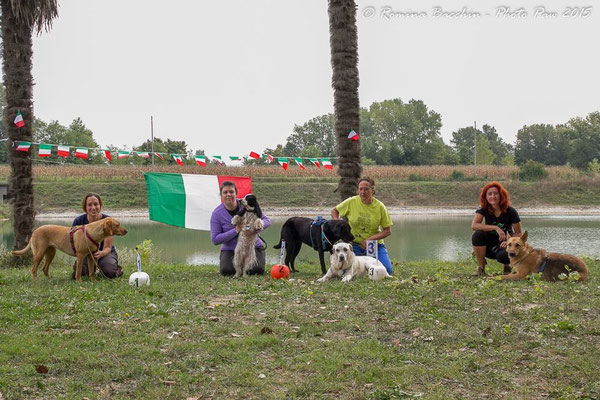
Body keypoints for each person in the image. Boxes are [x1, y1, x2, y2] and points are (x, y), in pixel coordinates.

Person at [331, 177, 394, 275]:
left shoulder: (380, 207)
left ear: (372, 191)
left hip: (374, 245)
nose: (363, 192)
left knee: (386, 270)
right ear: (357, 190)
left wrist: (370, 239)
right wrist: (337, 223)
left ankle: (366, 267)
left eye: (366, 189)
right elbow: (335, 210)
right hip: (355, 245)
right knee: (344, 270)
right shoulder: (351, 202)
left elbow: (387, 230)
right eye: (360, 189)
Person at [210, 181, 271, 276]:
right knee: (227, 271)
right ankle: (235, 265)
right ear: (221, 195)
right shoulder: (216, 214)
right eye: (225, 192)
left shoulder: (247, 203)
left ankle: (249, 265)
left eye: (231, 192)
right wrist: (236, 230)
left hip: (253, 246)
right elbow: (215, 239)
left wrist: (255, 229)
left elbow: (267, 221)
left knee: (256, 270)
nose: (228, 194)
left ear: (236, 193)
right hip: (230, 249)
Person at [471, 181, 523, 276]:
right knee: (477, 235)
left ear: (501, 195)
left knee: (502, 256)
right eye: (489, 194)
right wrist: (496, 228)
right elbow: (474, 225)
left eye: (495, 193)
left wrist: (509, 242)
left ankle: (507, 266)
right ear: (485, 197)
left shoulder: (511, 211)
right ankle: (481, 268)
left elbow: (519, 233)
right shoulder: (483, 208)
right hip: (489, 246)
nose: (492, 196)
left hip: (505, 245)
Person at [72, 192, 123, 279]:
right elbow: (74, 245)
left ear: (100, 205)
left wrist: (101, 253)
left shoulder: (108, 221)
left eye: (96, 204)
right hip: (86, 254)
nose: (93, 208)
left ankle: (116, 269)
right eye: (89, 205)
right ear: (85, 207)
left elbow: (108, 247)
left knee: (109, 272)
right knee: (81, 272)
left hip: (105, 253)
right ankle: (94, 269)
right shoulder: (79, 221)